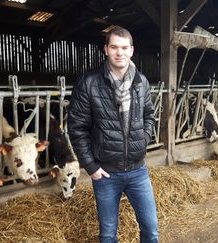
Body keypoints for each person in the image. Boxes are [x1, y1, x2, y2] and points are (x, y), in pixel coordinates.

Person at [68, 26, 158, 243]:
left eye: (124, 47)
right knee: (108, 234)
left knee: (151, 229)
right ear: (106, 49)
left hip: (138, 171)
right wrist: (90, 166)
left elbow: (149, 116)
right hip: (106, 173)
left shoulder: (141, 82)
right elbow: (76, 127)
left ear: (132, 50)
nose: (120, 53)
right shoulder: (89, 83)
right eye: (115, 47)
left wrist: (143, 141)